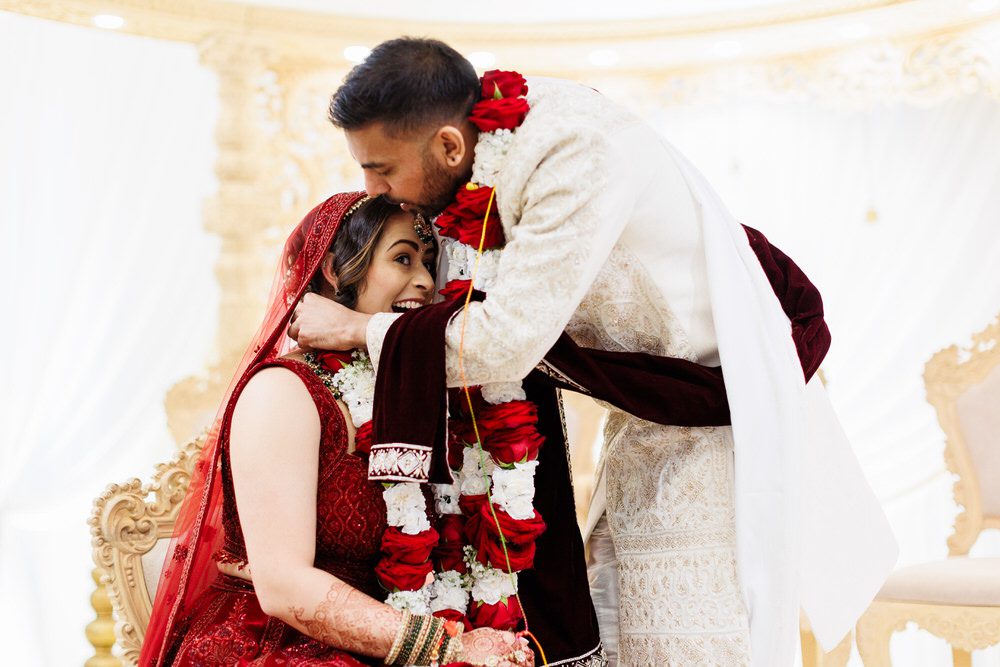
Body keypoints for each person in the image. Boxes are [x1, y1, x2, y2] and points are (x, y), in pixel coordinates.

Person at [290, 38, 899, 666]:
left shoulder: (572, 151)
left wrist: (358, 330)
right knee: (627, 629)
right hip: (641, 417)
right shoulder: (490, 153)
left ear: (449, 145)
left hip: (715, 420)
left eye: (382, 168)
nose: (373, 189)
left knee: (682, 636)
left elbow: (503, 339)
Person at [140, 192, 531, 666]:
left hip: (388, 640)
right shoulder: (283, 392)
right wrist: (447, 647)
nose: (425, 282)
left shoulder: (409, 391)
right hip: (276, 646)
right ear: (332, 269)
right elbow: (284, 586)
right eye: (402, 259)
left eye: (427, 263)